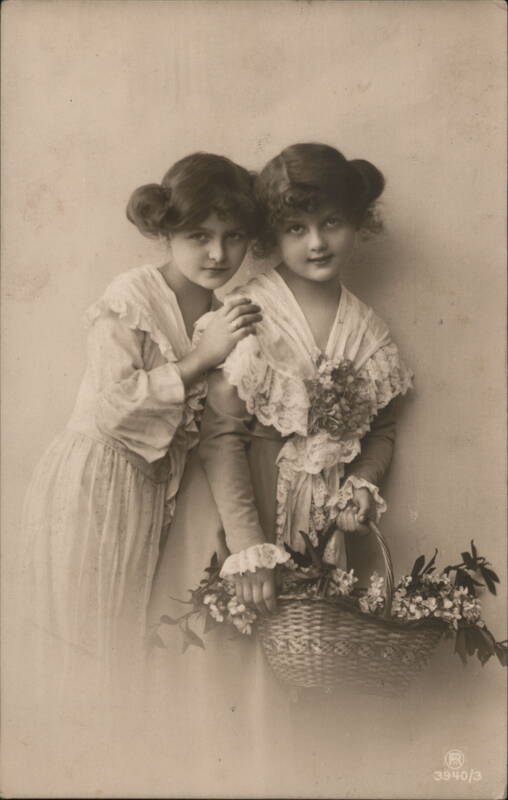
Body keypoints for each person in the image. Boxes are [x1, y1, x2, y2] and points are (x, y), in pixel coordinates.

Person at [147, 143, 412, 795]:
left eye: (332, 223)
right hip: (238, 520)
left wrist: (363, 482)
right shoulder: (249, 313)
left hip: (317, 529)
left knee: (301, 686)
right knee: (227, 685)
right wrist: (248, 549)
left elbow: (382, 429)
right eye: (296, 227)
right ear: (272, 234)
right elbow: (220, 437)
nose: (316, 243)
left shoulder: (369, 330)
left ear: (359, 223)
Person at [18, 152, 262, 719]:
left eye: (233, 236)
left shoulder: (224, 313)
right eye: (199, 235)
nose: (218, 254)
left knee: (123, 648)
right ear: (166, 232)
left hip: (151, 497)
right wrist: (202, 358)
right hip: (94, 483)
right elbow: (115, 406)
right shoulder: (132, 296)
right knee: (81, 643)